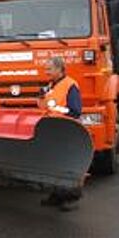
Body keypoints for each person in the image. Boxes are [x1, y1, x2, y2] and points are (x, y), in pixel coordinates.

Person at [40, 56, 83, 210]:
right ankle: (56, 196)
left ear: (59, 69)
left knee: (68, 165)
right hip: (54, 130)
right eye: (46, 69)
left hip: (67, 130)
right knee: (54, 163)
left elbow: (75, 111)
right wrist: (41, 98)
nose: (46, 72)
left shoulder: (70, 85)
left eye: (49, 69)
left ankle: (71, 198)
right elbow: (47, 107)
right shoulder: (52, 85)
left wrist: (54, 109)